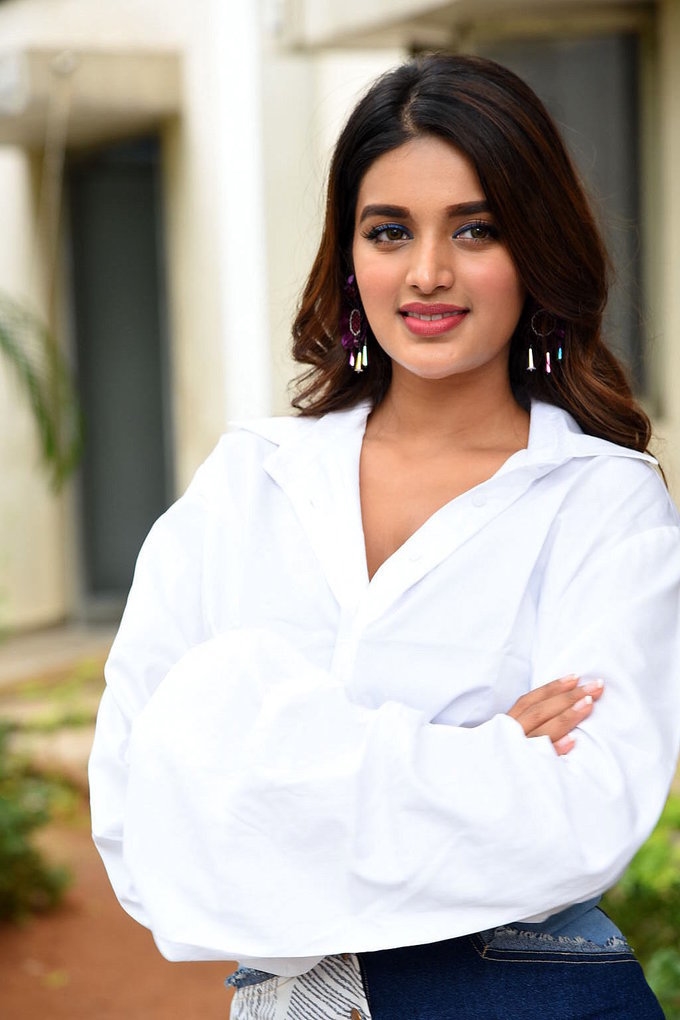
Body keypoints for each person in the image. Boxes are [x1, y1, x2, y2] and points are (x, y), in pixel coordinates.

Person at [89, 54, 680, 1019]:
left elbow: (586, 819)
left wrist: (261, 762)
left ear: (536, 248)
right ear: (349, 251)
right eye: (390, 230)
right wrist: (479, 758)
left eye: (476, 228)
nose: (428, 272)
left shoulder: (601, 503)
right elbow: (138, 814)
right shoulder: (249, 487)